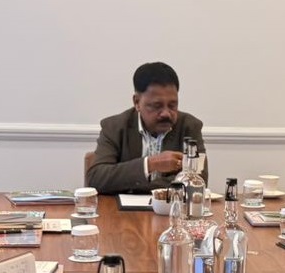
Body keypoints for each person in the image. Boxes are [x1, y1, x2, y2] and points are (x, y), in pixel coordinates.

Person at [87, 62, 206, 194]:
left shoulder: (190, 127)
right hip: (121, 207)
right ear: (137, 102)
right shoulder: (114, 127)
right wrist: (150, 164)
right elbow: (96, 178)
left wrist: (134, 185)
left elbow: (198, 180)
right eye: (157, 106)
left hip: (172, 206)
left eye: (172, 105)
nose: (166, 113)